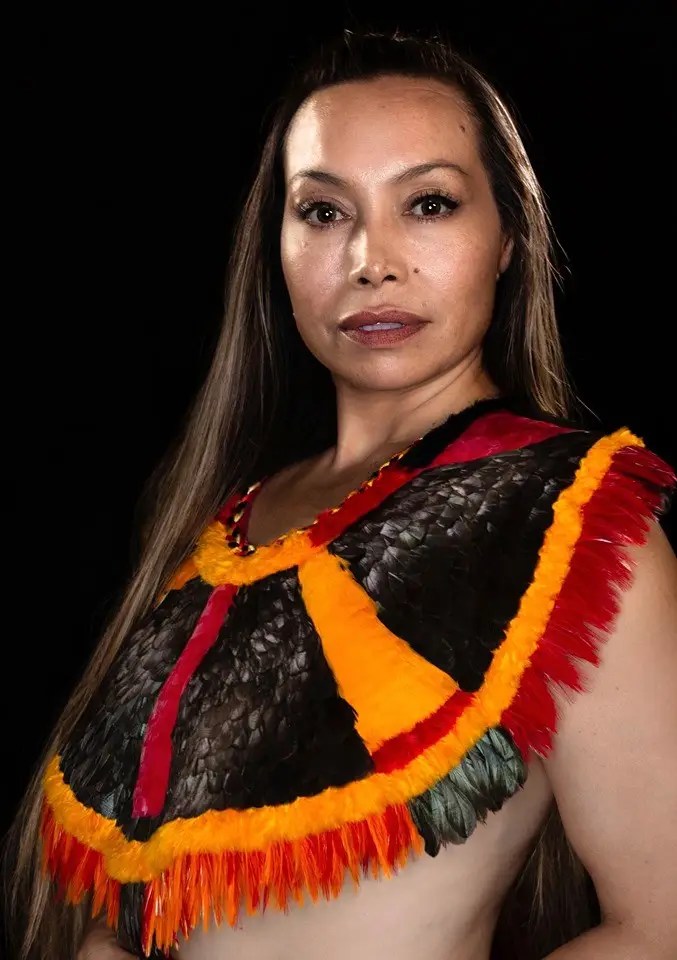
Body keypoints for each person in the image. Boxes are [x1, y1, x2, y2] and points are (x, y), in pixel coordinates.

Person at [4, 26, 677, 960]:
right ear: (274, 247)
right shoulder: (217, 529)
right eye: (323, 212)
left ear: (508, 239)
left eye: (429, 203)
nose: (372, 258)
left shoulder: (570, 516)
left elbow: (659, 928)